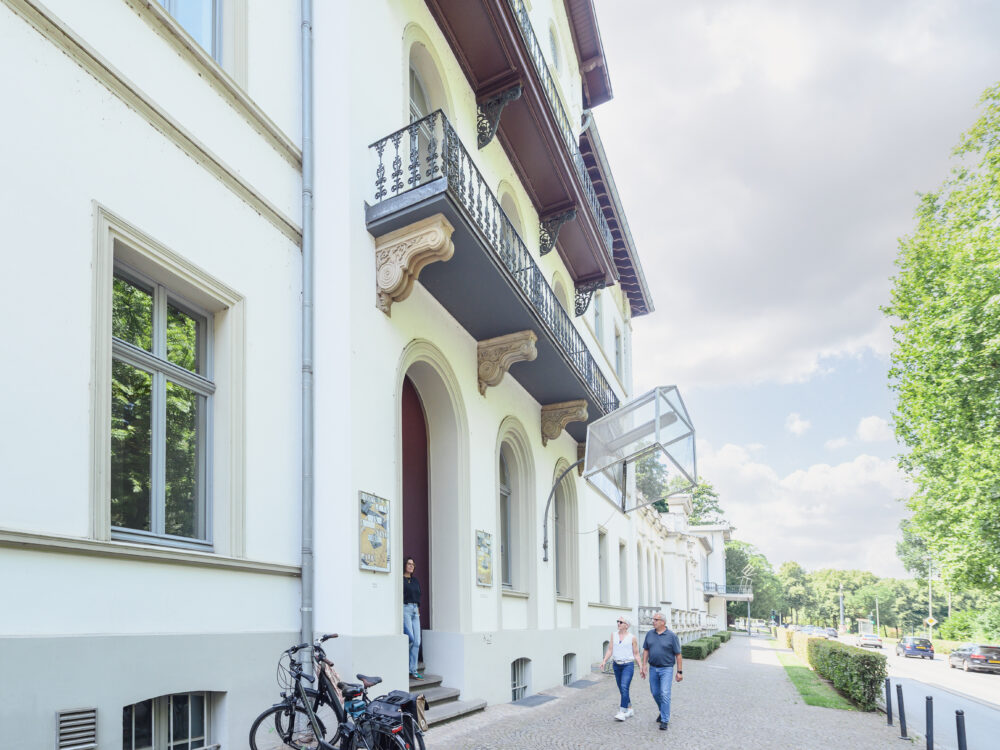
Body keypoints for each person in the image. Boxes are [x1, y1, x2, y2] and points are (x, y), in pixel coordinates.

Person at [640, 612, 683, 730]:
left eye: (656, 619)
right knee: (655, 693)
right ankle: (663, 710)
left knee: (664, 693)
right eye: (653, 619)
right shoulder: (649, 634)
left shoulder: (672, 636)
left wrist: (679, 672)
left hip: (667, 669)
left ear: (663, 622)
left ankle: (664, 719)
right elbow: (646, 650)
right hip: (653, 668)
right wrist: (644, 665)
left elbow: (678, 655)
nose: (653, 621)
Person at [599, 616, 640, 721]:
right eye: (617, 621)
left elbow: (636, 653)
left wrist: (641, 667)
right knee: (622, 689)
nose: (618, 623)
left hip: (628, 665)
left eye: (621, 622)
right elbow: (610, 649)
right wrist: (604, 660)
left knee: (624, 686)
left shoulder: (632, 637)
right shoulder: (614, 635)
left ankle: (622, 711)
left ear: (626, 625)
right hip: (616, 665)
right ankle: (630, 708)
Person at [402, 556, 423, 679]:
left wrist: (418, 612)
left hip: (416, 611)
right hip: (406, 609)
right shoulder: (401, 580)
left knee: (417, 641)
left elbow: (418, 597)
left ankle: (413, 670)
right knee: (410, 640)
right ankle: (406, 668)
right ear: (405, 565)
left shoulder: (415, 581)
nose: (411, 566)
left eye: (413, 564)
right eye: (409, 563)